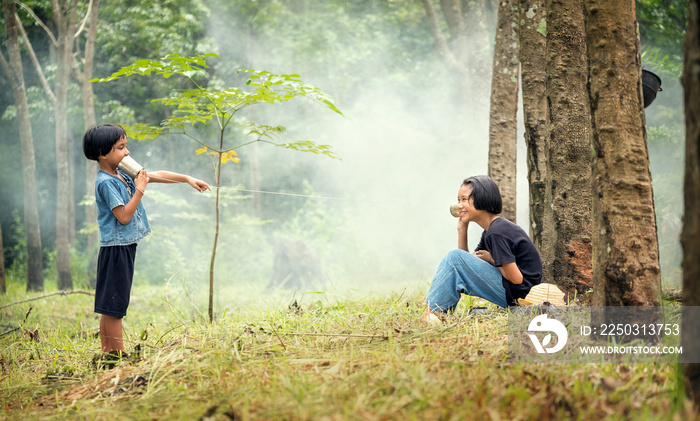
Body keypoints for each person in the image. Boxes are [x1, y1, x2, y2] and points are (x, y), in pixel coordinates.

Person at [83, 124, 210, 364]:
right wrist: (139, 190)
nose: (127, 152)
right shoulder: (106, 182)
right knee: (114, 305)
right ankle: (116, 356)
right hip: (116, 248)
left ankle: (108, 353)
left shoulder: (121, 173)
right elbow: (123, 216)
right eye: (121, 147)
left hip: (123, 246)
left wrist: (186, 179)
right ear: (102, 153)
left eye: (126, 146)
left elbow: (152, 174)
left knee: (111, 302)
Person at [421, 175, 542, 322]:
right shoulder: (490, 231)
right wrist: (462, 230)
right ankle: (435, 313)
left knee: (453, 257)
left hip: (520, 296)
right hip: (513, 291)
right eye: (458, 200)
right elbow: (465, 267)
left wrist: (491, 260)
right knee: (455, 258)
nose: (459, 205)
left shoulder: (497, 232)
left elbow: (517, 279)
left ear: (482, 199)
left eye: (464, 199)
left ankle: (433, 313)